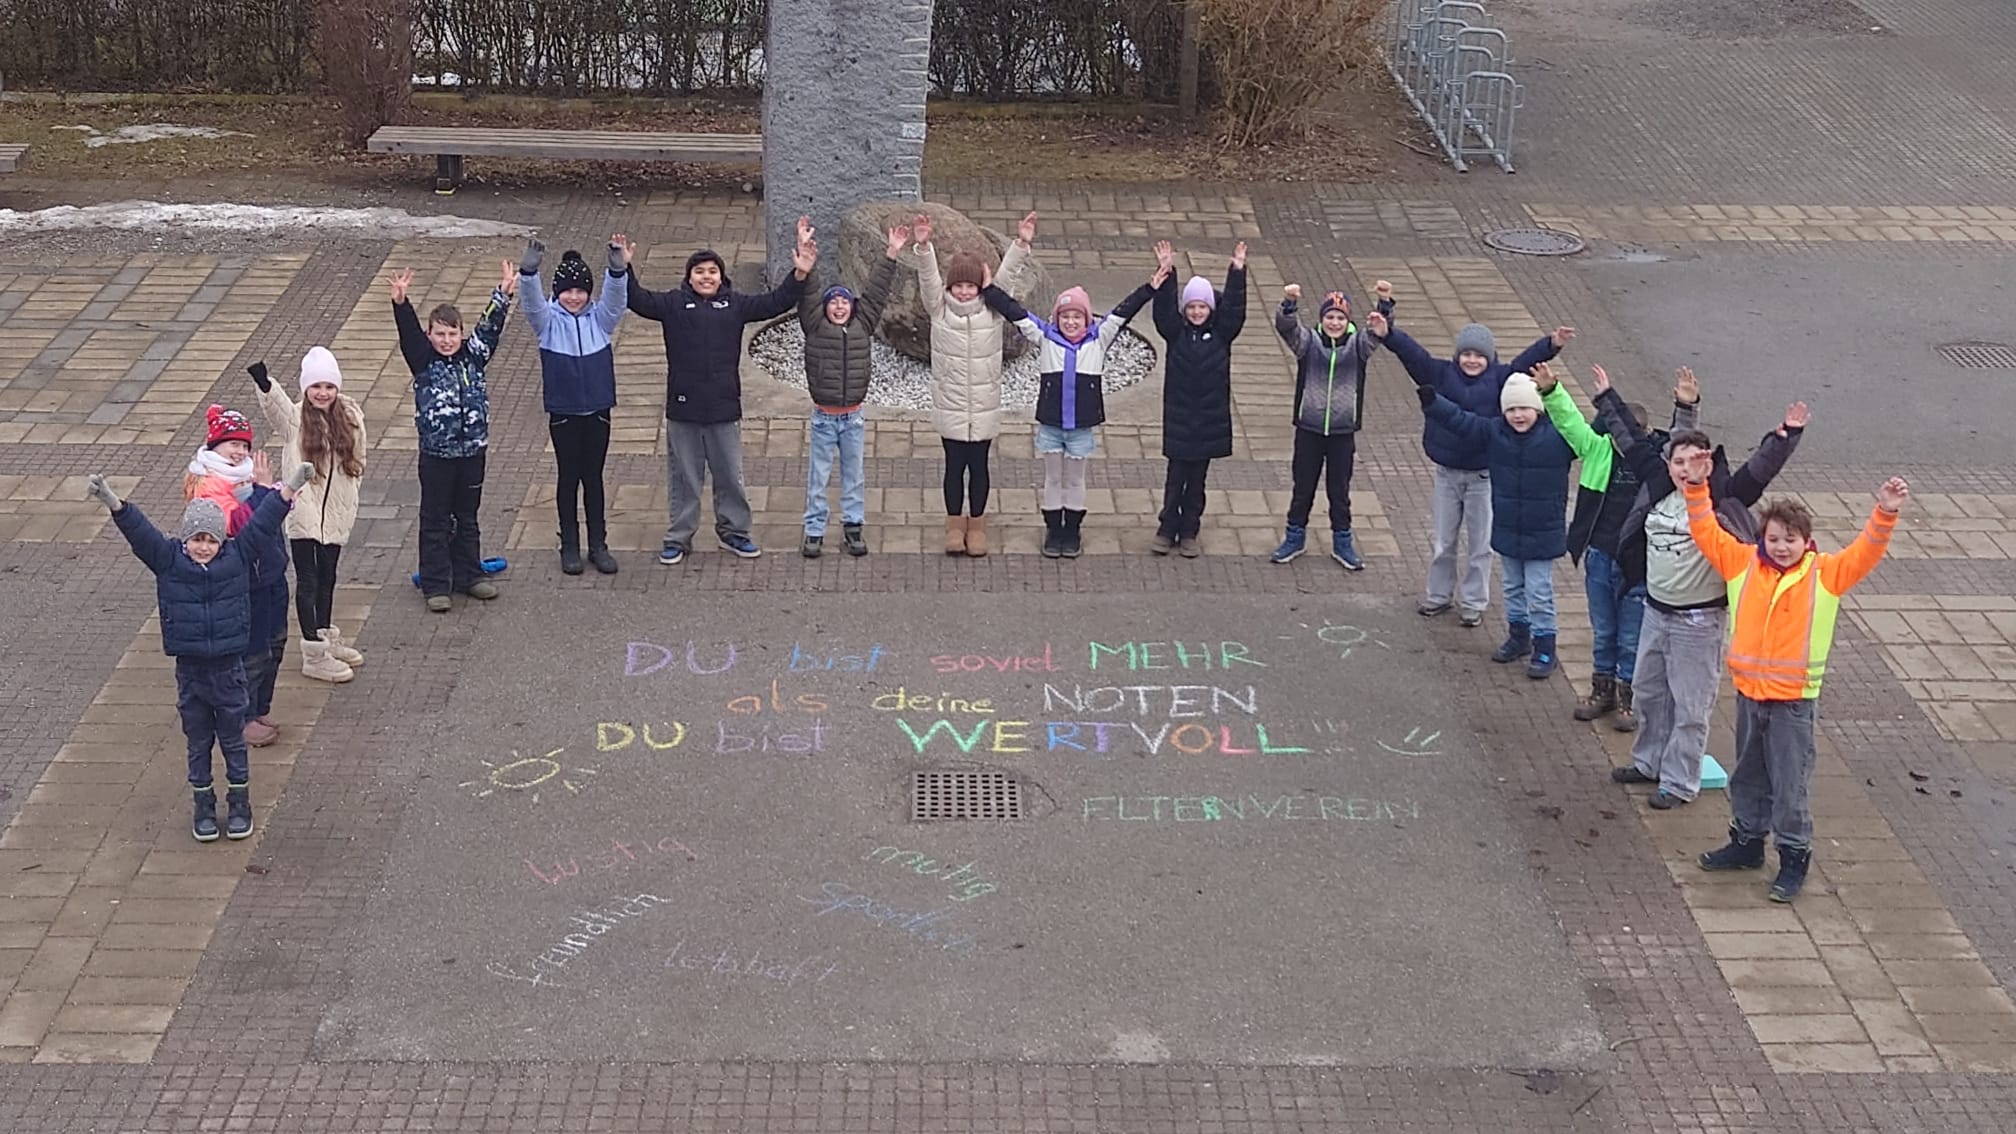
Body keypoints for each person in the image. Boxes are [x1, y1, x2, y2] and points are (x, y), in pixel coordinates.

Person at [1683, 461, 1906, 902]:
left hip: (1793, 703)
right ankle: (1747, 843)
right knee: (1748, 775)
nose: (1782, 547)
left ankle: (1793, 857)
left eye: (1790, 539)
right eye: (1774, 539)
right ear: (1761, 539)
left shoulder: (1826, 573)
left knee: (1790, 784)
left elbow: (1866, 551)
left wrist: (1885, 512)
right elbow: (1705, 530)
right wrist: (1695, 487)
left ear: (1807, 541)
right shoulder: (1742, 563)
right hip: (1750, 696)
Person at [1605, 384, 1806, 810]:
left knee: (1690, 706)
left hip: (1697, 624)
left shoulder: (1725, 497)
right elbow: (1630, 438)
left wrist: (1786, 435)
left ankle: (1679, 782)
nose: (1686, 469)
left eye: (1695, 461)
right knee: (1648, 692)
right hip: (1655, 612)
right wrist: (1605, 395)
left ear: (1709, 464)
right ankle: (1648, 762)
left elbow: (1761, 469)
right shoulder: (1657, 487)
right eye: (1678, 462)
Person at [89, 463, 311, 841]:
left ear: (222, 540)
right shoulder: (169, 561)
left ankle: (239, 804)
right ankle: (203, 805)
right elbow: (140, 534)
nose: (203, 547)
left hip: (230, 671)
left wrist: (288, 488)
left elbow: (264, 523)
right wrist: (113, 502)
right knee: (198, 744)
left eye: (210, 540)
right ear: (185, 539)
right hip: (191, 674)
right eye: (196, 539)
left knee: (234, 742)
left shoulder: (237, 557)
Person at [627, 220, 816, 564]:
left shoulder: (736, 305)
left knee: (730, 476)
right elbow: (637, 299)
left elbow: (776, 302)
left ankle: (734, 533)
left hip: (724, 409)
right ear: (689, 277)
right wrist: (621, 268)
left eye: (712, 271)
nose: (706, 277)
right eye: (699, 271)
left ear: (721, 277)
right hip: (683, 409)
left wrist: (800, 273)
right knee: (684, 478)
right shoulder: (672, 304)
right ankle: (679, 538)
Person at [1413, 362, 1608, 678]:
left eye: (1525, 408)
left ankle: (1545, 647)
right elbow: (1462, 421)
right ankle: (1519, 637)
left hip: (1543, 534)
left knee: (1539, 592)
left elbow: (1584, 431)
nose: (1518, 415)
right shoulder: (1494, 433)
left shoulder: (1559, 438)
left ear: (1539, 409)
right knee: (1512, 588)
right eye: (1512, 409)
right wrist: (1434, 403)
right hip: (1507, 530)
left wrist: (1595, 402)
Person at [1377, 319, 1574, 626]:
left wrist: (1552, 344)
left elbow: (1527, 361)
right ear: (1457, 356)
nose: (1472, 360)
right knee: (1443, 541)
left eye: (1479, 355)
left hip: (1483, 477)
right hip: (1446, 474)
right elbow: (1412, 354)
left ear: (1490, 358)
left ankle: (1473, 603)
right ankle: (1438, 595)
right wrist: (1388, 334)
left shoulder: (1501, 378)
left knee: (1481, 545)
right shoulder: (1440, 373)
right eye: (1466, 354)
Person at [982, 258, 1160, 558]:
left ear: (1087, 319)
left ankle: (1072, 530)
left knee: (1075, 479)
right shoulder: (1045, 337)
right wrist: (989, 290)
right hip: (1051, 426)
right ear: (1057, 319)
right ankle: (1054, 530)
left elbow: (1123, 312)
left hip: (1080, 428)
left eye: (1077, 316)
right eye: (1065, 316)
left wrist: (1149, 289)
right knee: (1053, 479)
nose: (1071, 322)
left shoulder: (1099, 339)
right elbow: (1016, 313)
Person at [1557, 364, 1699, 731]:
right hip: (1600, 557)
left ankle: (1627, 696)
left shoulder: (1656, 464)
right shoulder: (1601, 449)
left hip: (1639, 565)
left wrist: (1686, 406)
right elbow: (1569, 421)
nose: (1623, 443)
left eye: (1629, 436)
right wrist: (1552, 390)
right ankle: (1601, 689)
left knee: (1632, 637)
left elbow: (1683, 443)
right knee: (1604, 631)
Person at [389, 262, 516, 612]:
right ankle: (435, 584)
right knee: (435, 520)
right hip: (436, 456)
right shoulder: (423, 360)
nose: (446, 341)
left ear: (462, 334)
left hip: (472, 453)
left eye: (452, 333)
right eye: (440, 334)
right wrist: (401, 303)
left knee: (467, 517)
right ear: (430, 335)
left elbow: (490, 327)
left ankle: (469, 575)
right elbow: (408, 334)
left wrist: (503, 294)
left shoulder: (474, 357)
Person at [914, 211, 1034, 558]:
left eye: (970, 286)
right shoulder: (939, 309)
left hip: (983, 407)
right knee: (954, 468)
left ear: (980, 287)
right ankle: (954, 525)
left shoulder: (992, 310)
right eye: (959, 285)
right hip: (951, 408)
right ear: (950, 287)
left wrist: (1020, 244)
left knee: (979, 468)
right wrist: (924, 247)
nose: (965, 292)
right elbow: (928, 279)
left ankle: (977, 525)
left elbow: (1006, 278)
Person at [250, 348, 368, 685]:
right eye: (316, 386)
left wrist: (352, 492)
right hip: (304, 512)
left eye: (329, 386)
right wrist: (264, 382)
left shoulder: (351, 417)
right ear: (305, 388)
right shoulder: (295, 419)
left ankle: (325, 634)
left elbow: (359, 459)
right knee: (308, 579)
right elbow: (276, 407)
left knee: (328, 576)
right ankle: (313, 653)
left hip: (336, 513)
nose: (322, 393)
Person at [182, 407, 297, 748]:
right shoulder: (207, 486)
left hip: (269, 575)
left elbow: (267, 517)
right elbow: (239, 526)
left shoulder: (242, 478)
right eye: (232, 444)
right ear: (214, 446)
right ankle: (241, 719)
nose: (240, 452)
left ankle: (259, 708)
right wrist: (264, 492)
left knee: (275, 643)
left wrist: (275, 496)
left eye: (245, 445)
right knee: (251, 653)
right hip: (244, 583)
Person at [517, 235, 630, 575]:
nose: (575, 297)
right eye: (568, 291)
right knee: (568, 478)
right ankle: (569, 545)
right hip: (564, 413)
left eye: (581, 291)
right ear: (557, 292)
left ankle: (598, 545)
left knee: (593, 478)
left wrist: (616, 268)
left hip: (598, 411)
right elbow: (531, 303)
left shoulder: (601, 319)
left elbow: (616, 299)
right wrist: (529, 271)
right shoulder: (547, 321)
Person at [1269, 281, 1392, 567]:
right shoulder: (1308, 343)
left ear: (1348, 321)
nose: (1334, 322)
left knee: (1339, 491)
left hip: (1342, 431)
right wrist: (1289, 303)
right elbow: (1286, 328)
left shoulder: (1358, 346)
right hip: (1309, 429)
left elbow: (1381, 330)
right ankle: (1294, 538)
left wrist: (1384, 303)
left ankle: (1342, 543)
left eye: (1340, 317)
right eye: (1329, 317)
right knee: (1302, 488)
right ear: (1321, 319)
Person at [799, 223, 904, 558]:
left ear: (852, 306)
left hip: (853, 418)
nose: (839, 307)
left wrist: (891, 253)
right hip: (823, 418)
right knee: (818, 477)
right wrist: (807, 259)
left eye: (844, 301)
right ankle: (814, 530)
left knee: (853, 476)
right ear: (825, 308)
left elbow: (876, 292)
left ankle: (853, 526)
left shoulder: (863, 324)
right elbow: (809, 293)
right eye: (834, 302)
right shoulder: (815, 326)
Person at [1149, 239, 1247, 557]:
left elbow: (1235, 310)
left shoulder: (1222, 334)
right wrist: (1167, 271)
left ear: (1210, 309)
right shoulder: (1176, 333)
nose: (1196, 312)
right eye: (1191, 307)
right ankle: (1167, 528)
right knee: (1175, 479)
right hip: (1179, 421)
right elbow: (1163, 312)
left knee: (1197, 484)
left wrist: (1237, 271)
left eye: (1202, 307)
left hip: (1208, 423)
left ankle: (1190, 530)